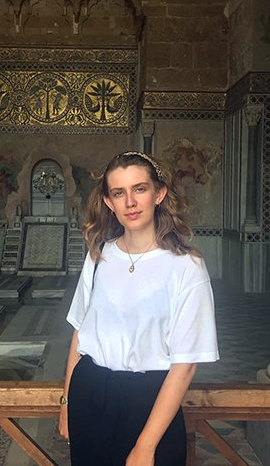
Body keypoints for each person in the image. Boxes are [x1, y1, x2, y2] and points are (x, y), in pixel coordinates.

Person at [58, 151, 219, 466]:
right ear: (109, 202)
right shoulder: (98, 256)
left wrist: (145, 447)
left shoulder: (186, 267)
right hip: (90, 394)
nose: (129, 201)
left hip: (150, 402)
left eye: (139, 189)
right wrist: (66, 404)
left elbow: (185, 365)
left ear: (159, 194)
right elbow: (79, 333)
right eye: (119, 193)